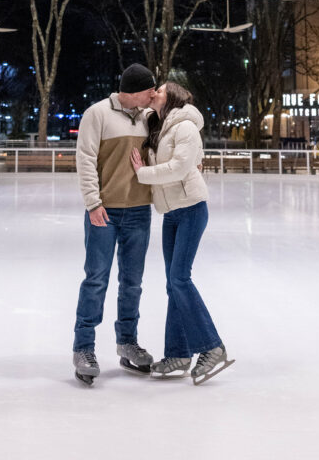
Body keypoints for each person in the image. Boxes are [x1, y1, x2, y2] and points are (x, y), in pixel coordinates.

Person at [130, 81, 234, 386]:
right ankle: (178, 354)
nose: (153, 94)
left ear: (171, 97)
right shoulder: (159, 127)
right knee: (172, 284)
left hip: (190, 209)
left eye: (159, 91)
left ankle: (212, 346)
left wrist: (142, 173)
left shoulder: (185, 127)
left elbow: (177, 168)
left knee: (179, 279)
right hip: (171, 213)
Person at [72, 63, 157, 385]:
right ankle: (83, 348)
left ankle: (128, 342)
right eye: (150, 89)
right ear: (134, 90)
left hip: (139, 211)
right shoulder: (97, 114)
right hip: (104, 212)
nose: (153, 94)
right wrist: (93, 202)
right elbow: (86, 159)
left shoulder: (148, 118)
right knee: (96, 280)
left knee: (132, 283)